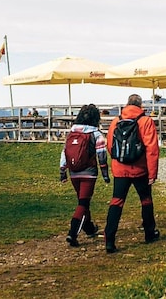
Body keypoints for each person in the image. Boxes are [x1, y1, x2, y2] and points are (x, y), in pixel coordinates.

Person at [104, 93, 160, 253]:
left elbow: (110, 145)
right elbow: (152, 149)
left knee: (117, 201)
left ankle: (109, 239)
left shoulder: (116, 121)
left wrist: (118, 161)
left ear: (127, 104)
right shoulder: (146, 121)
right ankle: (149, 233)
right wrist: (152, 174)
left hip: (120, 169)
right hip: (140, 169)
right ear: (140, 105)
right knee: (146, 200)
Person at [60, 104, 110, 247]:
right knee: (83, 203)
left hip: (73, 172)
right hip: (89, 173)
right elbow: (101, 154)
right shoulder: (96, 134)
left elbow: (64, 152)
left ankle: (88, 227)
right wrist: (105, 174)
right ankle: (72, 233)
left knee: (82, 201)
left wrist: (62, 172)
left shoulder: (72, 133)